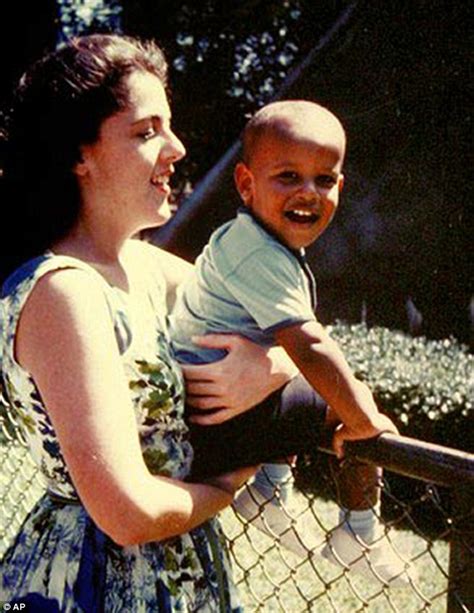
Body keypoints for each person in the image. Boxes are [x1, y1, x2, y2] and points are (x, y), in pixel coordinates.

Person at [0, 34, 299, 611]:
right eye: (146, 132)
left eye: (169, 125)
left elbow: (288, 321)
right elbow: (127, 513)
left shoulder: (140, 265)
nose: (177, 147)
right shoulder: (64, 291)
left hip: (180, 570)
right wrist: (227, 485)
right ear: (78, 155)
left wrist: (273, 363)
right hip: (94, 583)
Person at [169, 100, 413, 585]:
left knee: (299, 378)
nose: (309, 192)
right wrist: (366, 421)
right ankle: (358, 536)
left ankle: (270, 487)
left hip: (206, 410)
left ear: (340, 188)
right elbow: (310, 347)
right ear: (245, 184)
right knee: (345, 397)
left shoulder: (249, 239)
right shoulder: (260, 254)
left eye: (324, 180)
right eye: (288, 176)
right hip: (213, 418)